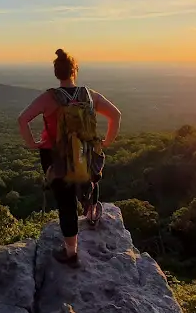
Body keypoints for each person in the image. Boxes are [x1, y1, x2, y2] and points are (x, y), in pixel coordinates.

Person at [17, 49, 122, 268]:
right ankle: (91, 212)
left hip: (55, 155)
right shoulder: (89, 95)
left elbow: (22, 119)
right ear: (75, 71)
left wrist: (32, 143)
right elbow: (116, 115)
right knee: (89, 178)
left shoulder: (49, 98)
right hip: (86, 150)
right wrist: (106, 141)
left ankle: (71, 252)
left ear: (57, 73)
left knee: (65, 202)